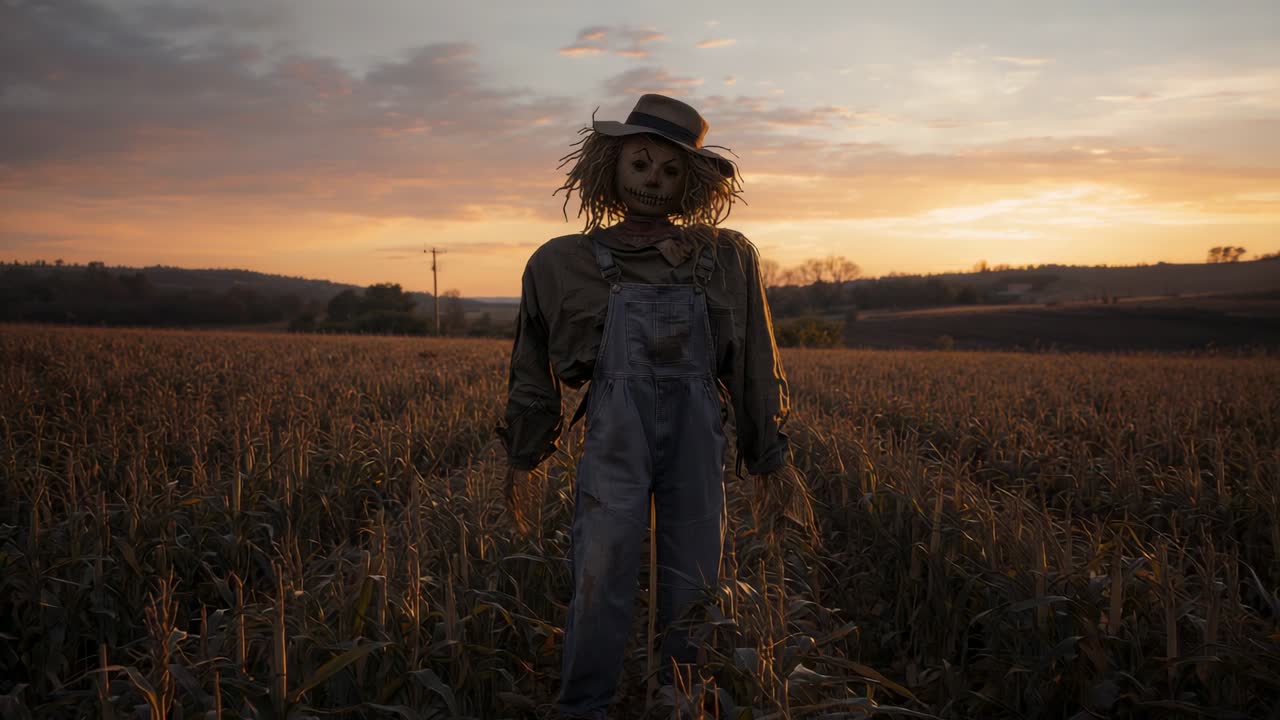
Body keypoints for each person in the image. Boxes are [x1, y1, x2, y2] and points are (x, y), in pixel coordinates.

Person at [495, 93, 800, 718]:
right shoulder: (560, 262)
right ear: (609, 167)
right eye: (640, 164)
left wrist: (768, 453)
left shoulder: (726, 257)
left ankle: (679, 698)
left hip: (696, 432)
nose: (653, 180)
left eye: (670, 170)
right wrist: (523, 453)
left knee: (695, 572)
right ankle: (585, 705)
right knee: (600, 566)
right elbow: (531, 365)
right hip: (614, 433)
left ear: (691, 183)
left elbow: (755, 362)